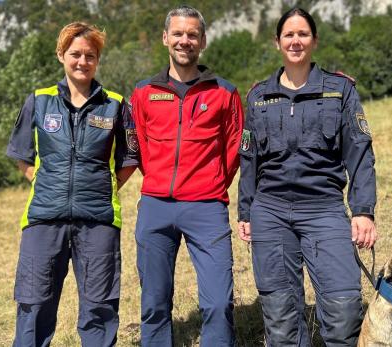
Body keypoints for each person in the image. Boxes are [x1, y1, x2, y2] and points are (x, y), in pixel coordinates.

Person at [237, 7, 378, 347]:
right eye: (289, 34)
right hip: (270, 212)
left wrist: (363, 210)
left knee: (344, 308)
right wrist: (245, 211)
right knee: (280, 316)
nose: (295, 41)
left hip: (324, 208)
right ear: (277, 42)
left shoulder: (340, 90)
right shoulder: (258, 96)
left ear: (314, 40)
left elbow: (360, 152)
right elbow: (249, 158)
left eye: (303, 34)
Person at [6, 22, 138, 347]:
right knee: (34, 304)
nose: (82, 61)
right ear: (61, 54)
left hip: (98, 222)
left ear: (97, 60)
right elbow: (22, 155)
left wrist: (102, 187)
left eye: (90, 55)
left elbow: (129, 160)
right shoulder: (39, 101)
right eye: (75, 54)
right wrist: (41, 180)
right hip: (43, 219)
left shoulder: (115, 105)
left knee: (99, 306)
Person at [129, 5, 244, 347]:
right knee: (153, 302)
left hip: (207, 206)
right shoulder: (144, 92)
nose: (185, 41)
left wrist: (209, 183)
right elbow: (140, 147)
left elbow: (234, 148)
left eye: (192, 34)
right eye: (177, 34)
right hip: (155, 206)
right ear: (166, 38)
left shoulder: (225, 93)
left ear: (203, 40)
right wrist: (160, 181)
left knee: (218, 301)